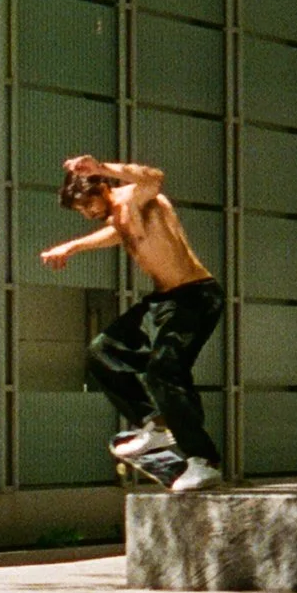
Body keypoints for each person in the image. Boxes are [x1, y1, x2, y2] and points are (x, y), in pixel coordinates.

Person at [40, 157, 224, 490]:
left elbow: (155, 176)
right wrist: (73, 245)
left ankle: (204, 460)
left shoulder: (137, 196)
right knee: (102, 351)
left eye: (87, 206)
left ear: (101, 188)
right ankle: (154, 425)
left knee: (165, 370)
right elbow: (117, 233)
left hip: (196, 297)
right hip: (163, 300)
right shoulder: (120, 215)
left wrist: (100, 167)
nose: (88, 214)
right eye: (81, 213)